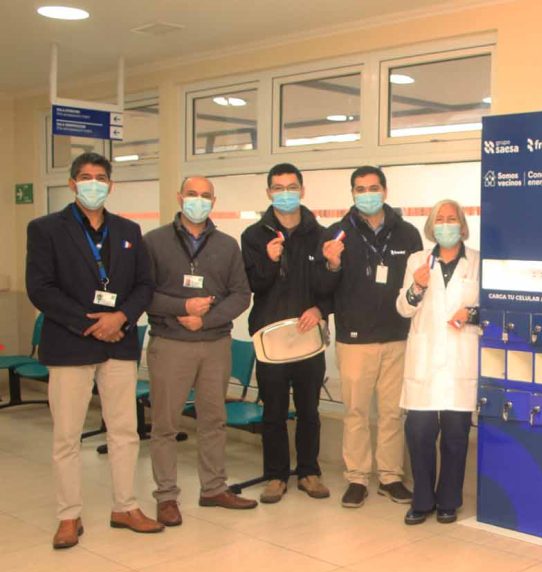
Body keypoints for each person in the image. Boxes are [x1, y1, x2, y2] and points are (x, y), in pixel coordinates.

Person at [26, 152, 163, 548]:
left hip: (119, 344)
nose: (93, 184)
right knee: (67, 436)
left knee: (124, 431)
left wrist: (120, 318)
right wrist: (93, 324)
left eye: (100, 177)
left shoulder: (128, 230)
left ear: (110, 185)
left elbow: (145, 285)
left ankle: (125, 507)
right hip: (70, 344)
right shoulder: (46, 229)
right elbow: (40, 288)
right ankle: (69, 516)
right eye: (85, 177)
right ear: (72, 184)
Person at [144, 176, 256, 525]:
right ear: (180, 198)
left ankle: (213, 489)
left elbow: (241, 294)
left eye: (205, 196)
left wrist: (205, 320)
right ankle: (166, 496)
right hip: (170, 344)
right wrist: (183, 308)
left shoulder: (227, 245)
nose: (199, 200)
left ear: (214, 201)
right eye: (192, 194)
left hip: (215, 344)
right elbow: (142, 293)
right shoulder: (154, 242)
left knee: (213, 420)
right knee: (165, 424)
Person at [323, 165, 423, 508]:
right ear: (352, 193)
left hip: (397, 337)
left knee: (392, 413)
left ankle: (390, 477)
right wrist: (332, 265)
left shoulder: (407, 234)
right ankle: (357, 478)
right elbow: (323, 288)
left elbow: (416, 286)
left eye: (373, 187)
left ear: (385, 190)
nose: (368, 194)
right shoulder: (337, 234)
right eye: (360, 189)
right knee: (356, 412)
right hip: (355, 339)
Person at [241, 163, 335, 504]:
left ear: (302, 190)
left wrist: (320, 309)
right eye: (278, 188)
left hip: (309, 337)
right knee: (274, 411)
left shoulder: (320, 234)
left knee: (309, 410)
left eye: (291, 187)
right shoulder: (253, 236)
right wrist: (268, 260)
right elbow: (253, 284)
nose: (285, 193)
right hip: (271, 340)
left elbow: (330, 286)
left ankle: (309, 472)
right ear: (269, 192)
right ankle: (276, 476)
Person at [395, 200, 480, 525]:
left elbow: (491, 307)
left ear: (462, 224)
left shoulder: (477, 261)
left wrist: (470, 313)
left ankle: (448, 501)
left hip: (460, 361)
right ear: (432, 226)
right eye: (440, 219)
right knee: (419, 434)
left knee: (456, 438)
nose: (446, 224)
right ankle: (422, 500)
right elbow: (403, 308)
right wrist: (417, 286)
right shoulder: (417, 261)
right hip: (425, 362)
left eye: (451, 218)